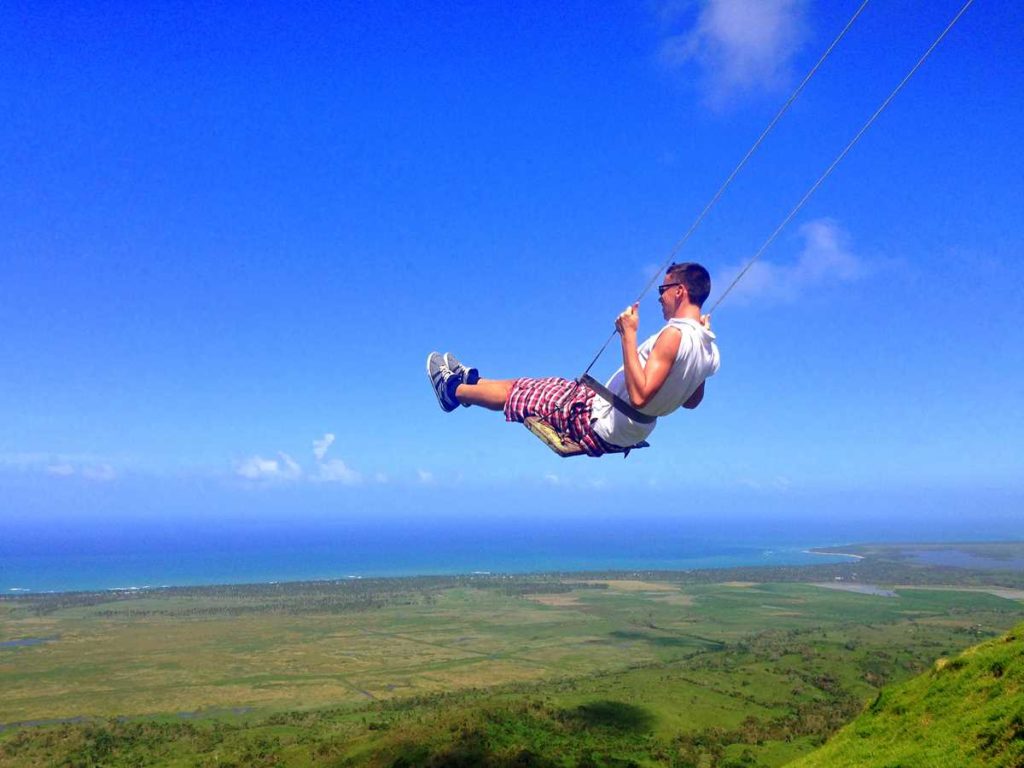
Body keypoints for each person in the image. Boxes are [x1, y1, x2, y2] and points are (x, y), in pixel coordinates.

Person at [426, 262, 721, 456]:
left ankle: (452, 392)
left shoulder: (674, 336)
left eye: (663, 289)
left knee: (517, 393)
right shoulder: (708, 346)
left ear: (680, 291)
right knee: (531, 384)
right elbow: (692, 401)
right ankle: (471, 382)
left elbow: (641, 396)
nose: (659, 297)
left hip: (600, 422)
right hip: (626, 425)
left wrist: (628, 336)